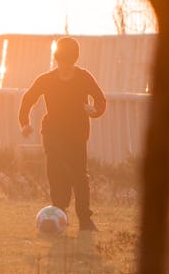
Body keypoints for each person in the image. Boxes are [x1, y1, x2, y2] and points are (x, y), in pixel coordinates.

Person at [18, 36, 106, 232]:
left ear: (75, 60)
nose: (65, 68)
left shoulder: (84, 77)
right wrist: (25, 123)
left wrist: (95, 110)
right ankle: (59, 211)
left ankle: (85, 219)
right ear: (57, 60)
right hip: (52, 134)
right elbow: (28, 100)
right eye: (62, 63)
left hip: (77, 134)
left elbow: (100, 99)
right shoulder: (46, 79)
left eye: (69, 63)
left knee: (79, 175)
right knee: (57, 172)